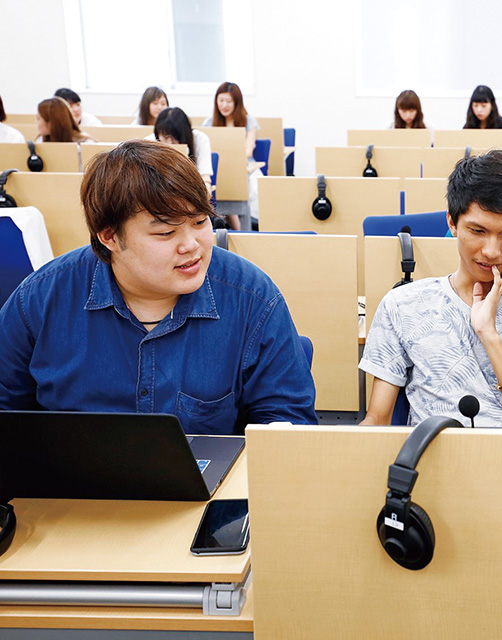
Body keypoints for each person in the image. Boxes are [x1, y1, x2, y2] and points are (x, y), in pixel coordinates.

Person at [0, 141, 318, 434]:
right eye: (166, 233)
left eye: (199, 222)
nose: (192, 246)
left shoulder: (252, 298)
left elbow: (288, 423)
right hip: (68, 491)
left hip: (213, 494)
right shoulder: (40, 301)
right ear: (109, 236)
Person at [360, 150, 502, 428]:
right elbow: (376, 421)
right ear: (452, 223)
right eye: (477, 231)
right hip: (430, 464)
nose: (491, 251)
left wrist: (489, 335)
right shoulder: (402, 305)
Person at [202, 82, 260, 230]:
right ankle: (235, 230)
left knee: (249, 187)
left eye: (229, 101)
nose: (224, 105)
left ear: (237, 102)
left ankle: (241, 230)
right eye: (221, 101)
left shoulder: (248, 120)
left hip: (244, 166)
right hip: (218, 168)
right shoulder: (209, 122)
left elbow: (248, 151)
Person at [153, 106, 214, 197]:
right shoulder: (150, 142)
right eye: (165, 137)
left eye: (174, 138)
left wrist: (206, 190)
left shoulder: (200, 139)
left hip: (191, 194)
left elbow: (205, 178)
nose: (169, 142)